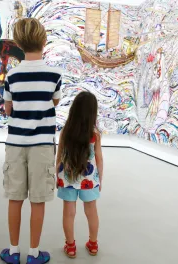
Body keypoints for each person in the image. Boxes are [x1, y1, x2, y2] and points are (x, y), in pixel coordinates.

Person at [0, 18, 61, 264]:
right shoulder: (54, 75)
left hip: (15, 144)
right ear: (44, 41)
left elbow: (7, 109)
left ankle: (13, 251)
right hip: (43, 145)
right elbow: (54, 102)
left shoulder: (12, 75)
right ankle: (34, 253)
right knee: (38, 200)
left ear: (17, 43)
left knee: (15, 198)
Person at [56, 91, 103, 258]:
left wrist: (57, 175)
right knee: (91, 211)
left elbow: (59, 155)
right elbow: (99, 159)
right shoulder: (95, 135)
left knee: (69, 212)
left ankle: (70, 246)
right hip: (89, 180)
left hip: (68, 178)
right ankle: (93, 244)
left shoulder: (65, 132)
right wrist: (100, 180)